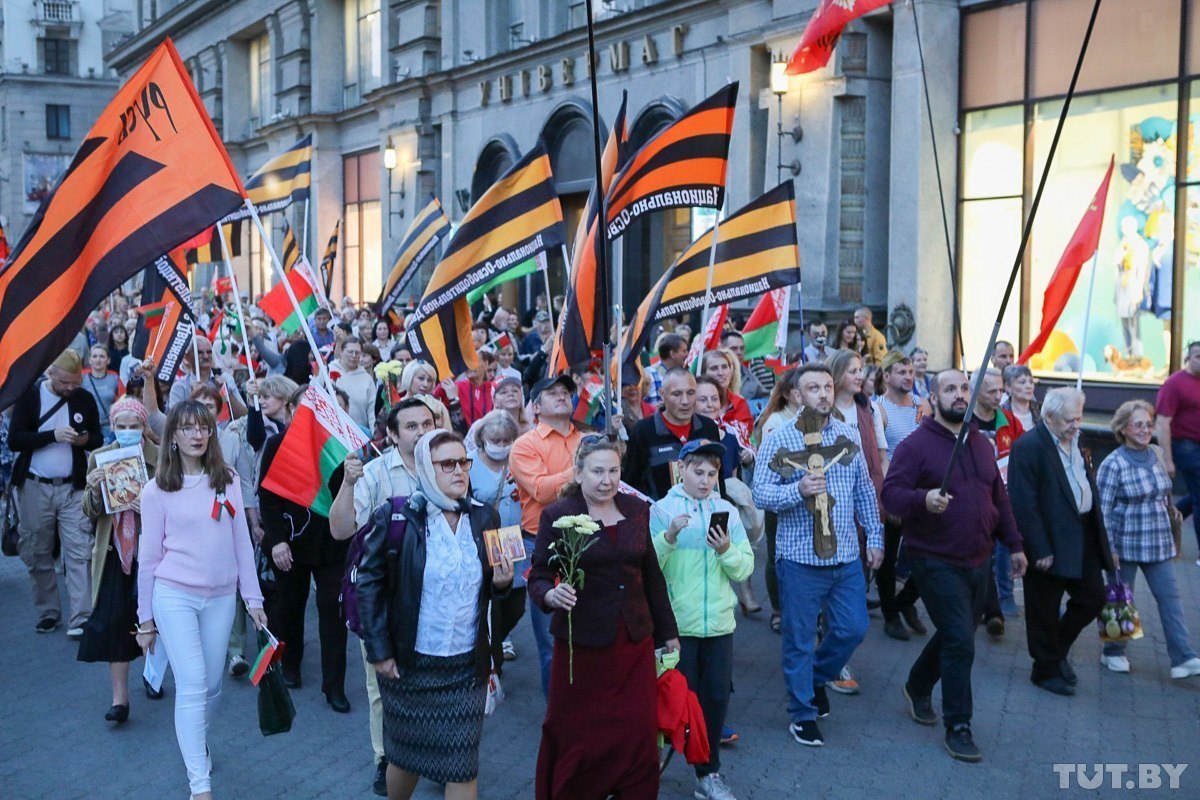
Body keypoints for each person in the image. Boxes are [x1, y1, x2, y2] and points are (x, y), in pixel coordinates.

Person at [358, 430, 514, 800]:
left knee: (461, 766)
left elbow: (490, 592)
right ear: (427, 468)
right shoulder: (397, 516)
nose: (459, 471)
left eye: (464, 462)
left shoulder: (484, 518)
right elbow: (368, 584)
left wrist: (504, 584)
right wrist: (379, 651)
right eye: (448, 464)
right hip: (410, 664)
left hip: (465, 667)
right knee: (406, 759)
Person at [881, 369, 1026, 762]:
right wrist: (923, 499)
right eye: (950, 389)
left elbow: (999, 498)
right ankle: (958, 725)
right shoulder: (915, 446)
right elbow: (891, 494)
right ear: (933, 396)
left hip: (977, 558)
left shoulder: (980, 443)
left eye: (964, 388)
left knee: (954, 632)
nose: (960, 395)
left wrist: (1014, 544)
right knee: (961, 639)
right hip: (933, 559)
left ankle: (916, 683)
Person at [529, 437, 680, 800]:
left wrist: (668, 632)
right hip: (582, 645)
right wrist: (550, 594)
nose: (606, 480)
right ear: (579, 473)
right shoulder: (559, 515)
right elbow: (538, 576)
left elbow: (651, 574)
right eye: (597, 471)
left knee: (636, 727)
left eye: (613, 471)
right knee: (581, 730)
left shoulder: (636, 509)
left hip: (633, 641)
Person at [137, 400, 268, 800]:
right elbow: (148, 557)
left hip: (221, 598)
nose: (197, 435)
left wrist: (254, 597)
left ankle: (198, 741)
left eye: (204, 428)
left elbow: (242, 543)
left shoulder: (225, 478)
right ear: (172, 436)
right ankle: (200, 784)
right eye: (188, 428)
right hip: (174, 595)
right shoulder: (156, 489)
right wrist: (145, 620)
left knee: (211, 687)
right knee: (192, 684)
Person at [753, 363, 884, 747]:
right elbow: (761, 493)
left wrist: (874, 536)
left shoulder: (848, 436)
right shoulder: (779, 439)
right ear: (796, 395)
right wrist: (798, 491)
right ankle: (802, 713)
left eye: (828, 386)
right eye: (813, 388)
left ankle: (813, 678)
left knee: (852, 628)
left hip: (844, 554)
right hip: (799, 560)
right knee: (799, 638)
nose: (824, 394)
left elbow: (863, 490)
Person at [330, 397, 436, 795]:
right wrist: (348, 482)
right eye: (411, 426)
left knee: (433, 679)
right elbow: (341, 531)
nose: (422, 431)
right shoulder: (373, 474)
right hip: (386, 599)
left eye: (427, 422)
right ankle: (385, 758)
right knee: (382, 687)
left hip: (437, 597)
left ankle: (433, 752)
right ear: (391, 435)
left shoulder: (449, 466)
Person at [651, 439, 754, 800]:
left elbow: (745, 568)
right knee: (670, 703)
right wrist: (669, 537)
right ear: (681, 469)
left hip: (720, 626)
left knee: (713, 703)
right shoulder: (662, 509)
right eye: (698, 472)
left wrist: (725, 550)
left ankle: (708, 774)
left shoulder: (726, 509)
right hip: (677, 627)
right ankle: (648, 764)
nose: (706, 479)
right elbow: (650, 567)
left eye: (712, 473)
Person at [1008, 388, 1114, 697]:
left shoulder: (1078, 441)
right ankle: (1044, 669)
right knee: (1043, 607)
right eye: (1070, 420)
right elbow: (1023, 503)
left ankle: (1056, 651)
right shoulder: (1029, 446)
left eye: (1079, 418)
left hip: (1083, 533)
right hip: (1048, 536)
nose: (1076, 425)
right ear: (1049, 416)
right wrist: (1038, 547)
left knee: (1092, 597)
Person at [258, 387, 351, 711]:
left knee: (333, 611)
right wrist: (278, 540)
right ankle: (291, 665)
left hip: (333, 544)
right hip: (291, 541)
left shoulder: (345, 447)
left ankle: (334, 685)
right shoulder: (277, 444)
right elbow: (267, 497)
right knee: (289, 607)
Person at [1097, 401, 1200, 679]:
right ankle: (1113, 654)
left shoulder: (1155, 453)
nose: (1145, 430)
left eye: (1148, 424)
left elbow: (1164, 493)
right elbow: (1103, 511)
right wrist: (1110, 550)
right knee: (1121, 601)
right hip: (1125, 543)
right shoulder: (1112, 464)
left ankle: (1183, 658)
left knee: (1171, 599)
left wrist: (1172, 509)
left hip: (1158, 541)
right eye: (1138, 424)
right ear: (1123, 428)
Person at [9, 349, 103, 635]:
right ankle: (49, 611)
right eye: (65, 383)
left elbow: (97, 437)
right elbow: (15, 439)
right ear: (50, 374)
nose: (70, 388)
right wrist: (52, 436)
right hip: (36, 486)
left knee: (78, 550)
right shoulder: (30, 396)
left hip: (73, 486)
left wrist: (84, 439)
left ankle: (81, 615)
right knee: (37, 549)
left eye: (75, 383)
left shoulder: (83, 399)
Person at [78, 398, 160, 723]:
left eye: (134, 426)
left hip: (150, 552)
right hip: (114, 552)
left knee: (157, 619)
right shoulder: (100, 457)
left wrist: (151, 509)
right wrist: (95, 489)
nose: (127, 432)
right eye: (121, 426)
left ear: (143, 427)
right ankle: (120, 700)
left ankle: (155, 675)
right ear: (112, 427)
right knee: (115, 621)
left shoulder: (159, 458)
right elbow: (89, 511)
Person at [509, 374, 584, 696]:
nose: (561, 396)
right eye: (552, 393)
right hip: (543, 545)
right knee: (553, 640)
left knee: (588, 632)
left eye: (565, 392)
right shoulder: (526, 444)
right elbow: (541, 491)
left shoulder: (587, 440)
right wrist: (585, 468)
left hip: (588, 542)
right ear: (536, 406)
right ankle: (558, 718)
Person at [874, 351, 929, 640]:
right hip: (895, 489)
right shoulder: (878, 409)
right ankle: (890, 614)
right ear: (886, 376)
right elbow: (879, 457)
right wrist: (887, 497)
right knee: (888, 556)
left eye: (910, 371)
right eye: (901, 371)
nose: (908, 376)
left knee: (930, 552)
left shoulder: (922, 404)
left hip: (923, 491)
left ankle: (905, 601)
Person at [468, 411, 526, 666]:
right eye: (496, 440)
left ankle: (496, 640)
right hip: (482, 542)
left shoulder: (521, 460)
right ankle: (492, 655)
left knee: (516, 603)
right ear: (483, 439)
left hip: (515, 540)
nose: (501, 446)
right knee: (490, 599)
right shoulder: (468, 463)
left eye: (506, 441)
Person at [970, 368, 1025, 634]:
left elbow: (1026, 451)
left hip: (1002, 498)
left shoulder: (1010, 421)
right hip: (969, 501)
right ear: (976, 391)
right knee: (980, 555)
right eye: (992, 391)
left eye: (1001, 390)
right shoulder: (963, 420)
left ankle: (991, 609)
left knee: (990, 554)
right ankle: (991, 610)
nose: (998, 396)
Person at [624, 369, 723, 500]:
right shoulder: (643, 431)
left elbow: (719, 477)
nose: (685, 401)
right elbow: (631, 484)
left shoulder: (709, 427)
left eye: (691, 393)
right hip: (661, 516)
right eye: (677, 394)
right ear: (662, 394)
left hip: (706, 514)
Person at [1155, 341, 1200, 555]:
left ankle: (1165, 519)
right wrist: (1167, 459)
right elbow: (1162, 422)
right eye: (1198, 356)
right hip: (1184, 445)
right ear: (1188, 359)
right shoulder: (1175, 384)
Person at [168, 337, 247, 417]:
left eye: (209, 352)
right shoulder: (180, 387)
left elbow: (244, 416)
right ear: (187, 357)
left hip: (228, 429)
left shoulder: (226, 379)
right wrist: (193, 397)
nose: (205, 356)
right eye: (200, 353)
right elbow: (175, 421)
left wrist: (225, 393)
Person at [695, 377, 747, 479]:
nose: (710, 405)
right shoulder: (685, 439)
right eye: (703, 400)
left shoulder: (731, 440)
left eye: (714, 399)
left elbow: (734, 483)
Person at [336, 338, 379, 430]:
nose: (354, 356)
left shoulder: (367, 379)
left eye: (357, 352)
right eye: (350, 352)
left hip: (359, 433)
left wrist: (374, 435)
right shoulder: (328, 372)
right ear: (341, 352)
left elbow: (372, 412)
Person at [84, 345, 121, 444]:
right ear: (90, 360)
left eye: (102, 356)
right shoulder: (81, 378)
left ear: (108, 360)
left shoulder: (114, 378)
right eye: (94, 356)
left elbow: (123, 399)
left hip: (108, 428)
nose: (98, 360)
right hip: (87, 427)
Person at [719, 330, 768, 400]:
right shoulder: (711, 373)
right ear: (723, 349)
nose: (739, 352)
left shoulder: (752, 380)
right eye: (734, 348)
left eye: (742, 348)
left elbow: (765, 401)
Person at [644, 333, 688, 407]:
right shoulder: (650, 374)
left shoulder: (685, 375)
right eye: (684, 351)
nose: (687, 354)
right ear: (672, 354)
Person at [1001, 364, 1040, 432]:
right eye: (1022, 382)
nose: (1029, 386)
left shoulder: (1042, 411)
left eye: (1031, 382)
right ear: (1008, 387)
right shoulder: (1000, 413)